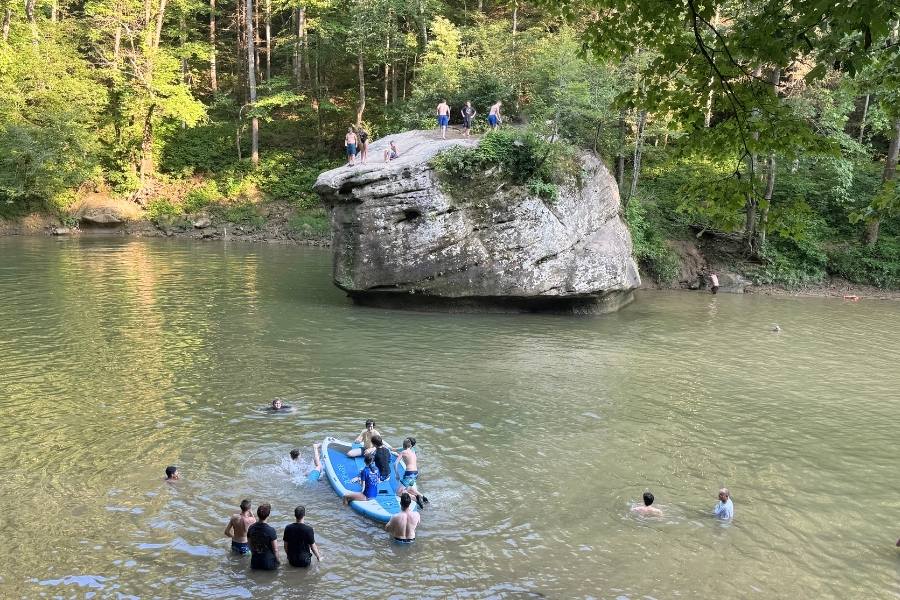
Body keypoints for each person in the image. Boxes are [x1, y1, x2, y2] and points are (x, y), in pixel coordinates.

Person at [396, 437, 428, 509]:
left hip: (409, 473)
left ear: (403, 445)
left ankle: (415, 498)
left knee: (399, 492)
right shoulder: (413, 451)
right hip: (415, 473)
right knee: (408, 489)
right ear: (411, 446)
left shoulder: (403, 452)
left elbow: (395, 464)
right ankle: (423, 497)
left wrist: (397, 474)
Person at [247, 503, 280, 570]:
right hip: (268, 563)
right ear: (268, 515)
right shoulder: (271, 530)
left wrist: (254, 554)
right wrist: (278, 561)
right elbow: (275, 550)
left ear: (257, 514)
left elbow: (249, 545)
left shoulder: (251, 528)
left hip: (255, 563)